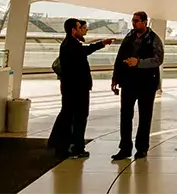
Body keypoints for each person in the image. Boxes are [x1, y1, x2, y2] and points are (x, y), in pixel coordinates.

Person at [48, 18, 113, 159]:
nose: (84, 30)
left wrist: (101, 43)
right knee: (79, 117)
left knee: (68, 115)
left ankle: (63, 144)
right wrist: (101, 44)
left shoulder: (68, 44)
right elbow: (85, 51)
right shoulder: (71, 45)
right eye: (80, 27)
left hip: (71, 88)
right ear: (73, 30)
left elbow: (85, 51)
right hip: (77, 89)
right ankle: (77, 147)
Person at [111, 12, 164, 161]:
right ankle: (125, 148)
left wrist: (139, 63)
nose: (134, 23)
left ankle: (142, 148)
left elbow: (158, 59)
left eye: (136, 21)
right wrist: (115, 78)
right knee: (125, 115)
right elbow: (119, 57)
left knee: (145, 116)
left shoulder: (154, 39)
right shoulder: (129, 37)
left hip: (147, 83)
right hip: (128, 82)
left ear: (145, 22)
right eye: (133, 21)